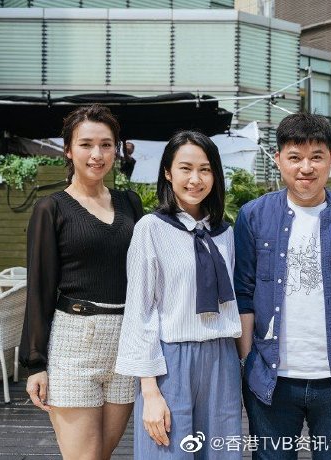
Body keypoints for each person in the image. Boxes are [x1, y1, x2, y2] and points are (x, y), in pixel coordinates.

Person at [234, 112, 331, 459]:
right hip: (271, 381)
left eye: (316, 156)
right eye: (295, 157)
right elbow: (244, 293)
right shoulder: (253, 216)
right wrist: (247, 361)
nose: (306, 168)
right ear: (278, 159)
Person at [19, 104, 143, 460]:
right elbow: (39, 289)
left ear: (116, 150)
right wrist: (35, 364)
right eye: (86, 144)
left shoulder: (130, 203)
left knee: (102, 454)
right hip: (74, 342)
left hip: (125, 343)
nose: (97, 154)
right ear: (68, 150)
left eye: (106, 145)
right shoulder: (51, 208)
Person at [115, 130, 242, 459]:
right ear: (168, 173)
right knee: (167, 451)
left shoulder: (225, 233)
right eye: (185, 168)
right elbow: (140, 311)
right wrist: (149, 391)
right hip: (170, 362)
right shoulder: (151, 228)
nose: (195, 179)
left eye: (205, 169)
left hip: (222, 359)